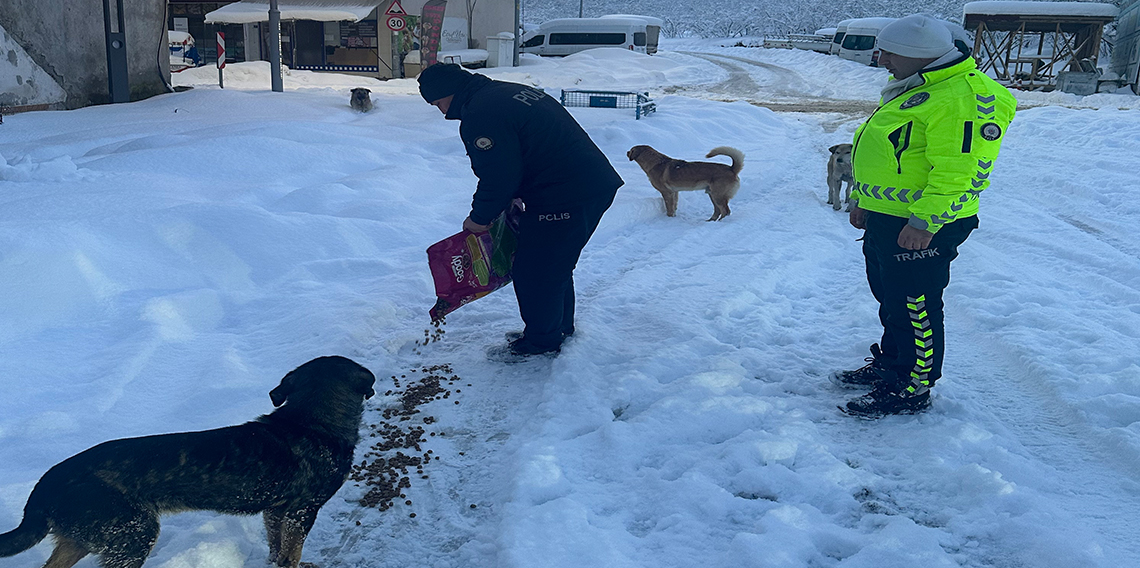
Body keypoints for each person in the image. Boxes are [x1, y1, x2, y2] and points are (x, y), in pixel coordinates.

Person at [832, 14, 1015, 417]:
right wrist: (863, 198)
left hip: (922, 223)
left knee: (916, 304)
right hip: (889, 216)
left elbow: (962, 170)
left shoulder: (964, 97)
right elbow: (888, 155)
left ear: (917, 54)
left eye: (889, 52)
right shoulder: (919, 87)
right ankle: (893, 365)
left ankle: (912, 386)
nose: (881, 60)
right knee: (892, 298)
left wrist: (925, 222)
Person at [418, 63, 623, 358]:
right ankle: (555, 328)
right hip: (585, 183)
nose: (441, 111)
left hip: (566, 193)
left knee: (536, 270)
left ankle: (541, 342)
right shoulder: (503, 92)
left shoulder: (481, 114)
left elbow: (499, 175)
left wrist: (480, 218)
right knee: (552, 264)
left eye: (437, 102)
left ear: (448, 92)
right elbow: (521, 152)